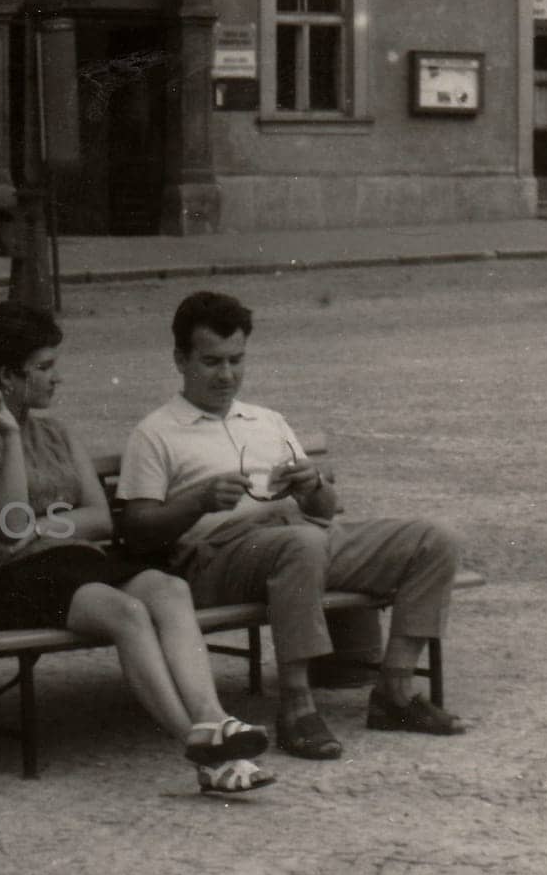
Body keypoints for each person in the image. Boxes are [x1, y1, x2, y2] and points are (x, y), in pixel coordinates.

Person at [0, 301, 274, 795]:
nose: (58, 379)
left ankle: (213, 717)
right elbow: (9, 528)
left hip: (67, 562)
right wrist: (9, 438)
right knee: (127, 612)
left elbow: (98, 517)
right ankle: (198, 747)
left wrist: (37, 529)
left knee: (168, 588)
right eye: (45, 368)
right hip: (5, 582)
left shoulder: (56, 431)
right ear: (8, 376)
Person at [118, 290, 466, 761]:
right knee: (300, 543)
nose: (227, 375)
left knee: (434, 539)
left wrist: (312, 483)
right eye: (211, 362)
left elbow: (323, 511)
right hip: (219, 558)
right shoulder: (156, 432)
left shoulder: (266, 420)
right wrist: (197, 501)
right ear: (181, 359)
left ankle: (395, 692)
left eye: (236, 360)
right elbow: (136, 528)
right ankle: (298, 706)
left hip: (300, 537)